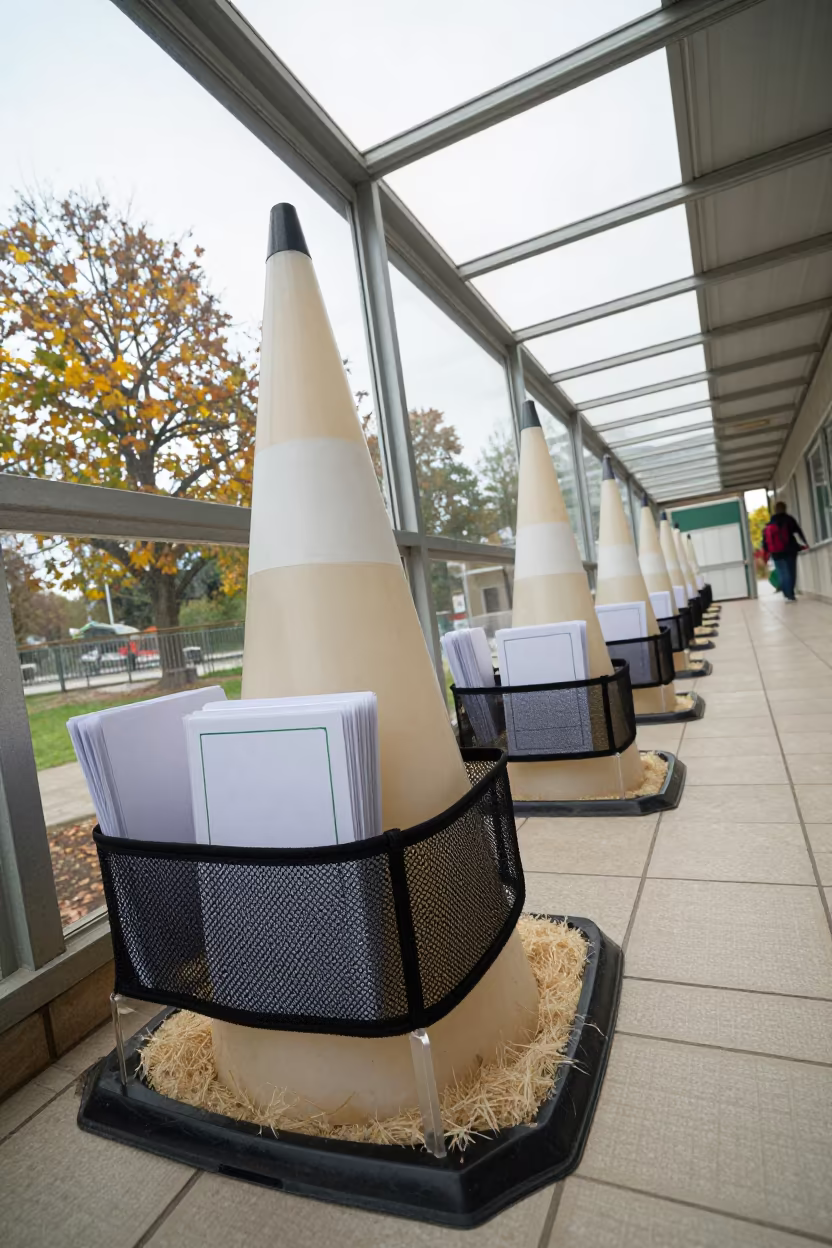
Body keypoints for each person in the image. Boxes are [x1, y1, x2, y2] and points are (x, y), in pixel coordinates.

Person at [761, 501, 808, 602]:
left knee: (782, 573)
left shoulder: (771, 522)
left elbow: (765, 539)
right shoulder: (789, 519)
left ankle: (786, 594)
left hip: (776, 552)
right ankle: (790, 594)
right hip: (790, 550)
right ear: (785, 508)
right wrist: (805, 542)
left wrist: (767, 551)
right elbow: (798, 531)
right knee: (791, 572)